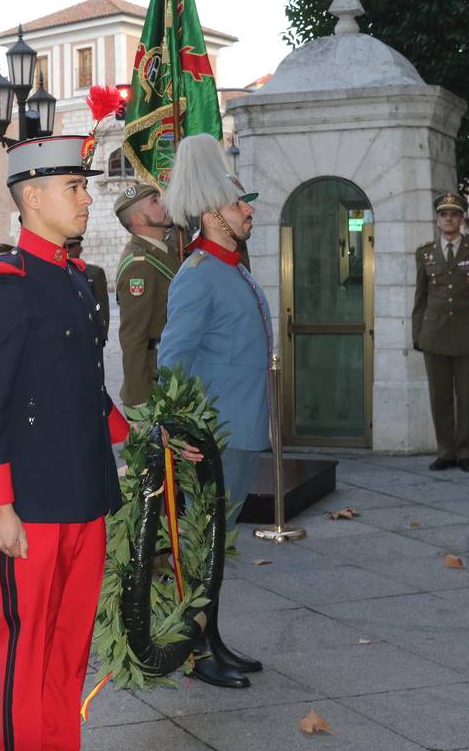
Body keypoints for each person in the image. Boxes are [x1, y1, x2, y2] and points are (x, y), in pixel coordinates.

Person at [0, 134, 144, 751]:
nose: (87, 199)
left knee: (70, 644)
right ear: (32, 197)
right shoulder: (4, 282)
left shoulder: (71, 276)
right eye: (74, 187)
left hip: (83, 490)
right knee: (27, 643)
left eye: (84, 186)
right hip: (32, 501)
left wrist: (137, 439)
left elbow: (77, 383)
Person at [158, 132, 268, 689]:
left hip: (240, 433)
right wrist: (176, 431)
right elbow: (171, 362)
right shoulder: (198, 276)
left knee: (218, 549)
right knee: (203, 551)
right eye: (237, 203)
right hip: (214, 440)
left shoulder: (234, 269)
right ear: (212, 214)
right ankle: (199, 653)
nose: (247, 210)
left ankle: (214, 639)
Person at [413, 191, 469, 473]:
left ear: (461, 219)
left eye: (454, 214)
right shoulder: (424, 253)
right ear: (437, 221)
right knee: (440, 397)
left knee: (467, 398)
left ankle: (467, 453)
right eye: (444, 214)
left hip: (466, 336)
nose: (449, 218)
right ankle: (445, 452)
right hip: (434, 335)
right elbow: (420, 299)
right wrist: (417, 335)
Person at [113, 183, 181, 407]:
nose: (163, 203)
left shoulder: (166, 248)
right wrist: (138, 401)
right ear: (140, 220)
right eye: (154, 201)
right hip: (157, 381)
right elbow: (133, 338)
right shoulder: (139, 264)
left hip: (174, 371)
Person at [64, 236, 108, 344]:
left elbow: (101, 305)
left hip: (89, 333)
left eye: (71, 246)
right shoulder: (58, 272)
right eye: (65, 247)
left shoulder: (94, 273)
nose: (68, 250)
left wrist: (102, 332)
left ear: (80, 249)